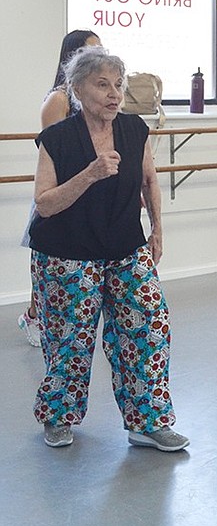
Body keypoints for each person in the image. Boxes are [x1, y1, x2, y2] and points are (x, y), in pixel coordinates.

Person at [29, 45, 189, 451]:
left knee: (149, 324)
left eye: (117, 84)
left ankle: (147, 421)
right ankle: (58, 417)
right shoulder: (57, 139)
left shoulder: (135, 130)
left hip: (125, 245)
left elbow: (149, 181)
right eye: (103, 85)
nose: (114, 93)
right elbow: (45, 203)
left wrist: (157, 231)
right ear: (78, 89)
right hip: (66, 252)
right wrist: (90, 174)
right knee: (71, 338)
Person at [18, 30, 101, 347]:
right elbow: (55, 151)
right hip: (60, 189)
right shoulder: (59, 99)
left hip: (90, 191)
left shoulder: (93, 99)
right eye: (89, 50)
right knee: (48, 258)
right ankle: (34, 316)